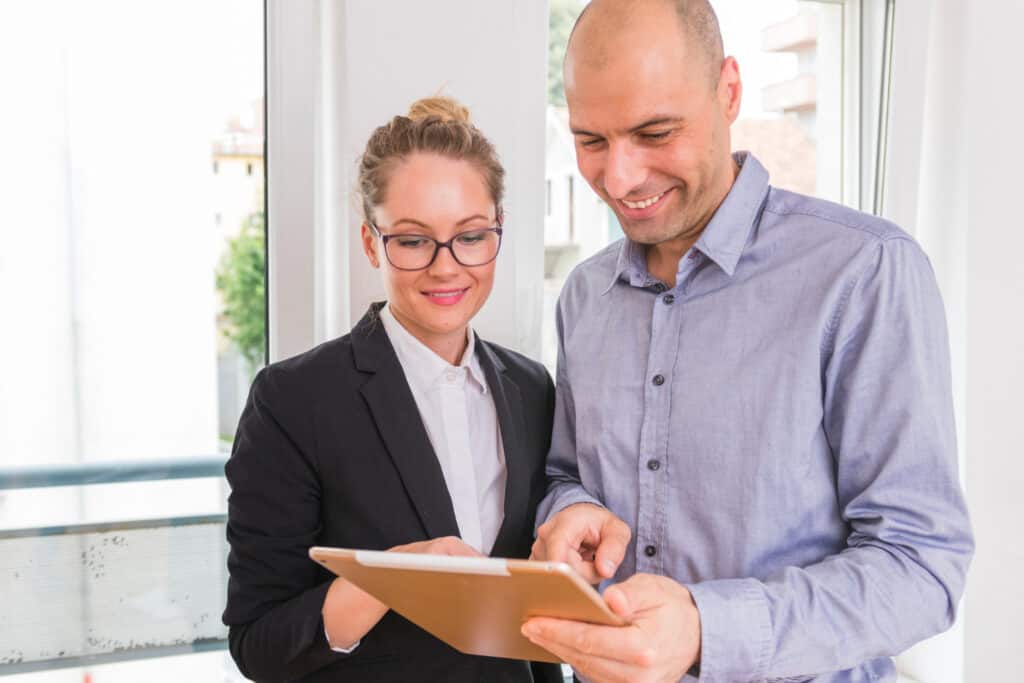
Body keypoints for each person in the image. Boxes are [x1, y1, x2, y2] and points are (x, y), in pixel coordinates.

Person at [521, 1, 974, 682]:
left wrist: (707, 628)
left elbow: (921, 564)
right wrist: (572, 508)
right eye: (591, 141)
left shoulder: (864, 272)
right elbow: (566, 473)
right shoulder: (584, 296)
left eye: (654, 131)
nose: (619, 178)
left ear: (728, 91)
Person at [222, 96, 562, 683]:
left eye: (472, 236)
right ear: (370, 241)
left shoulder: (532, 390)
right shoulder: (293, 401)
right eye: (412, 241)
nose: (447, 266)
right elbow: (259, 643)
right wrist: (392, 577)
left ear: (497, 229)